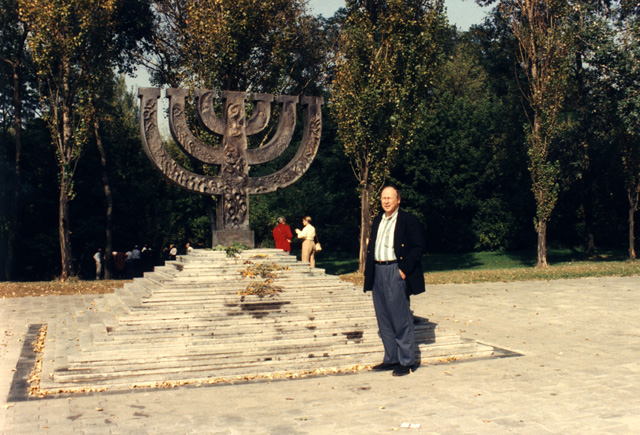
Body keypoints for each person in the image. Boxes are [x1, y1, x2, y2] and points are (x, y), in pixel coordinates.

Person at [363, 186, 426, 377]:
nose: (386, 201)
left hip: (395, 271)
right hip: (378, 271)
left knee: (400, 318)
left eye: (390, 198)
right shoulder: (377, 220)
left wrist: (403, 270)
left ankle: (406, 361)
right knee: (383, 318)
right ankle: (391, 358)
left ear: (398, 200)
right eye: (383, 198)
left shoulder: (408, 220)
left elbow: (419, 247)